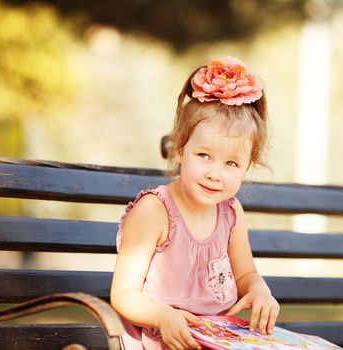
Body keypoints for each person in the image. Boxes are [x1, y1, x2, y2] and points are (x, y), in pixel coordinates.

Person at [110, 56, 280, 350]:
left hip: (216, 341)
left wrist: (259, 290)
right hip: (164, 341)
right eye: (203, 156)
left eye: (231, 163)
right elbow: (124, 294)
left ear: (246, 168)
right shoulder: (155, 210)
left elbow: (245, 274)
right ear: (179, 150)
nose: (215, 174)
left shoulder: (231, 213)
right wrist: (163, 316)